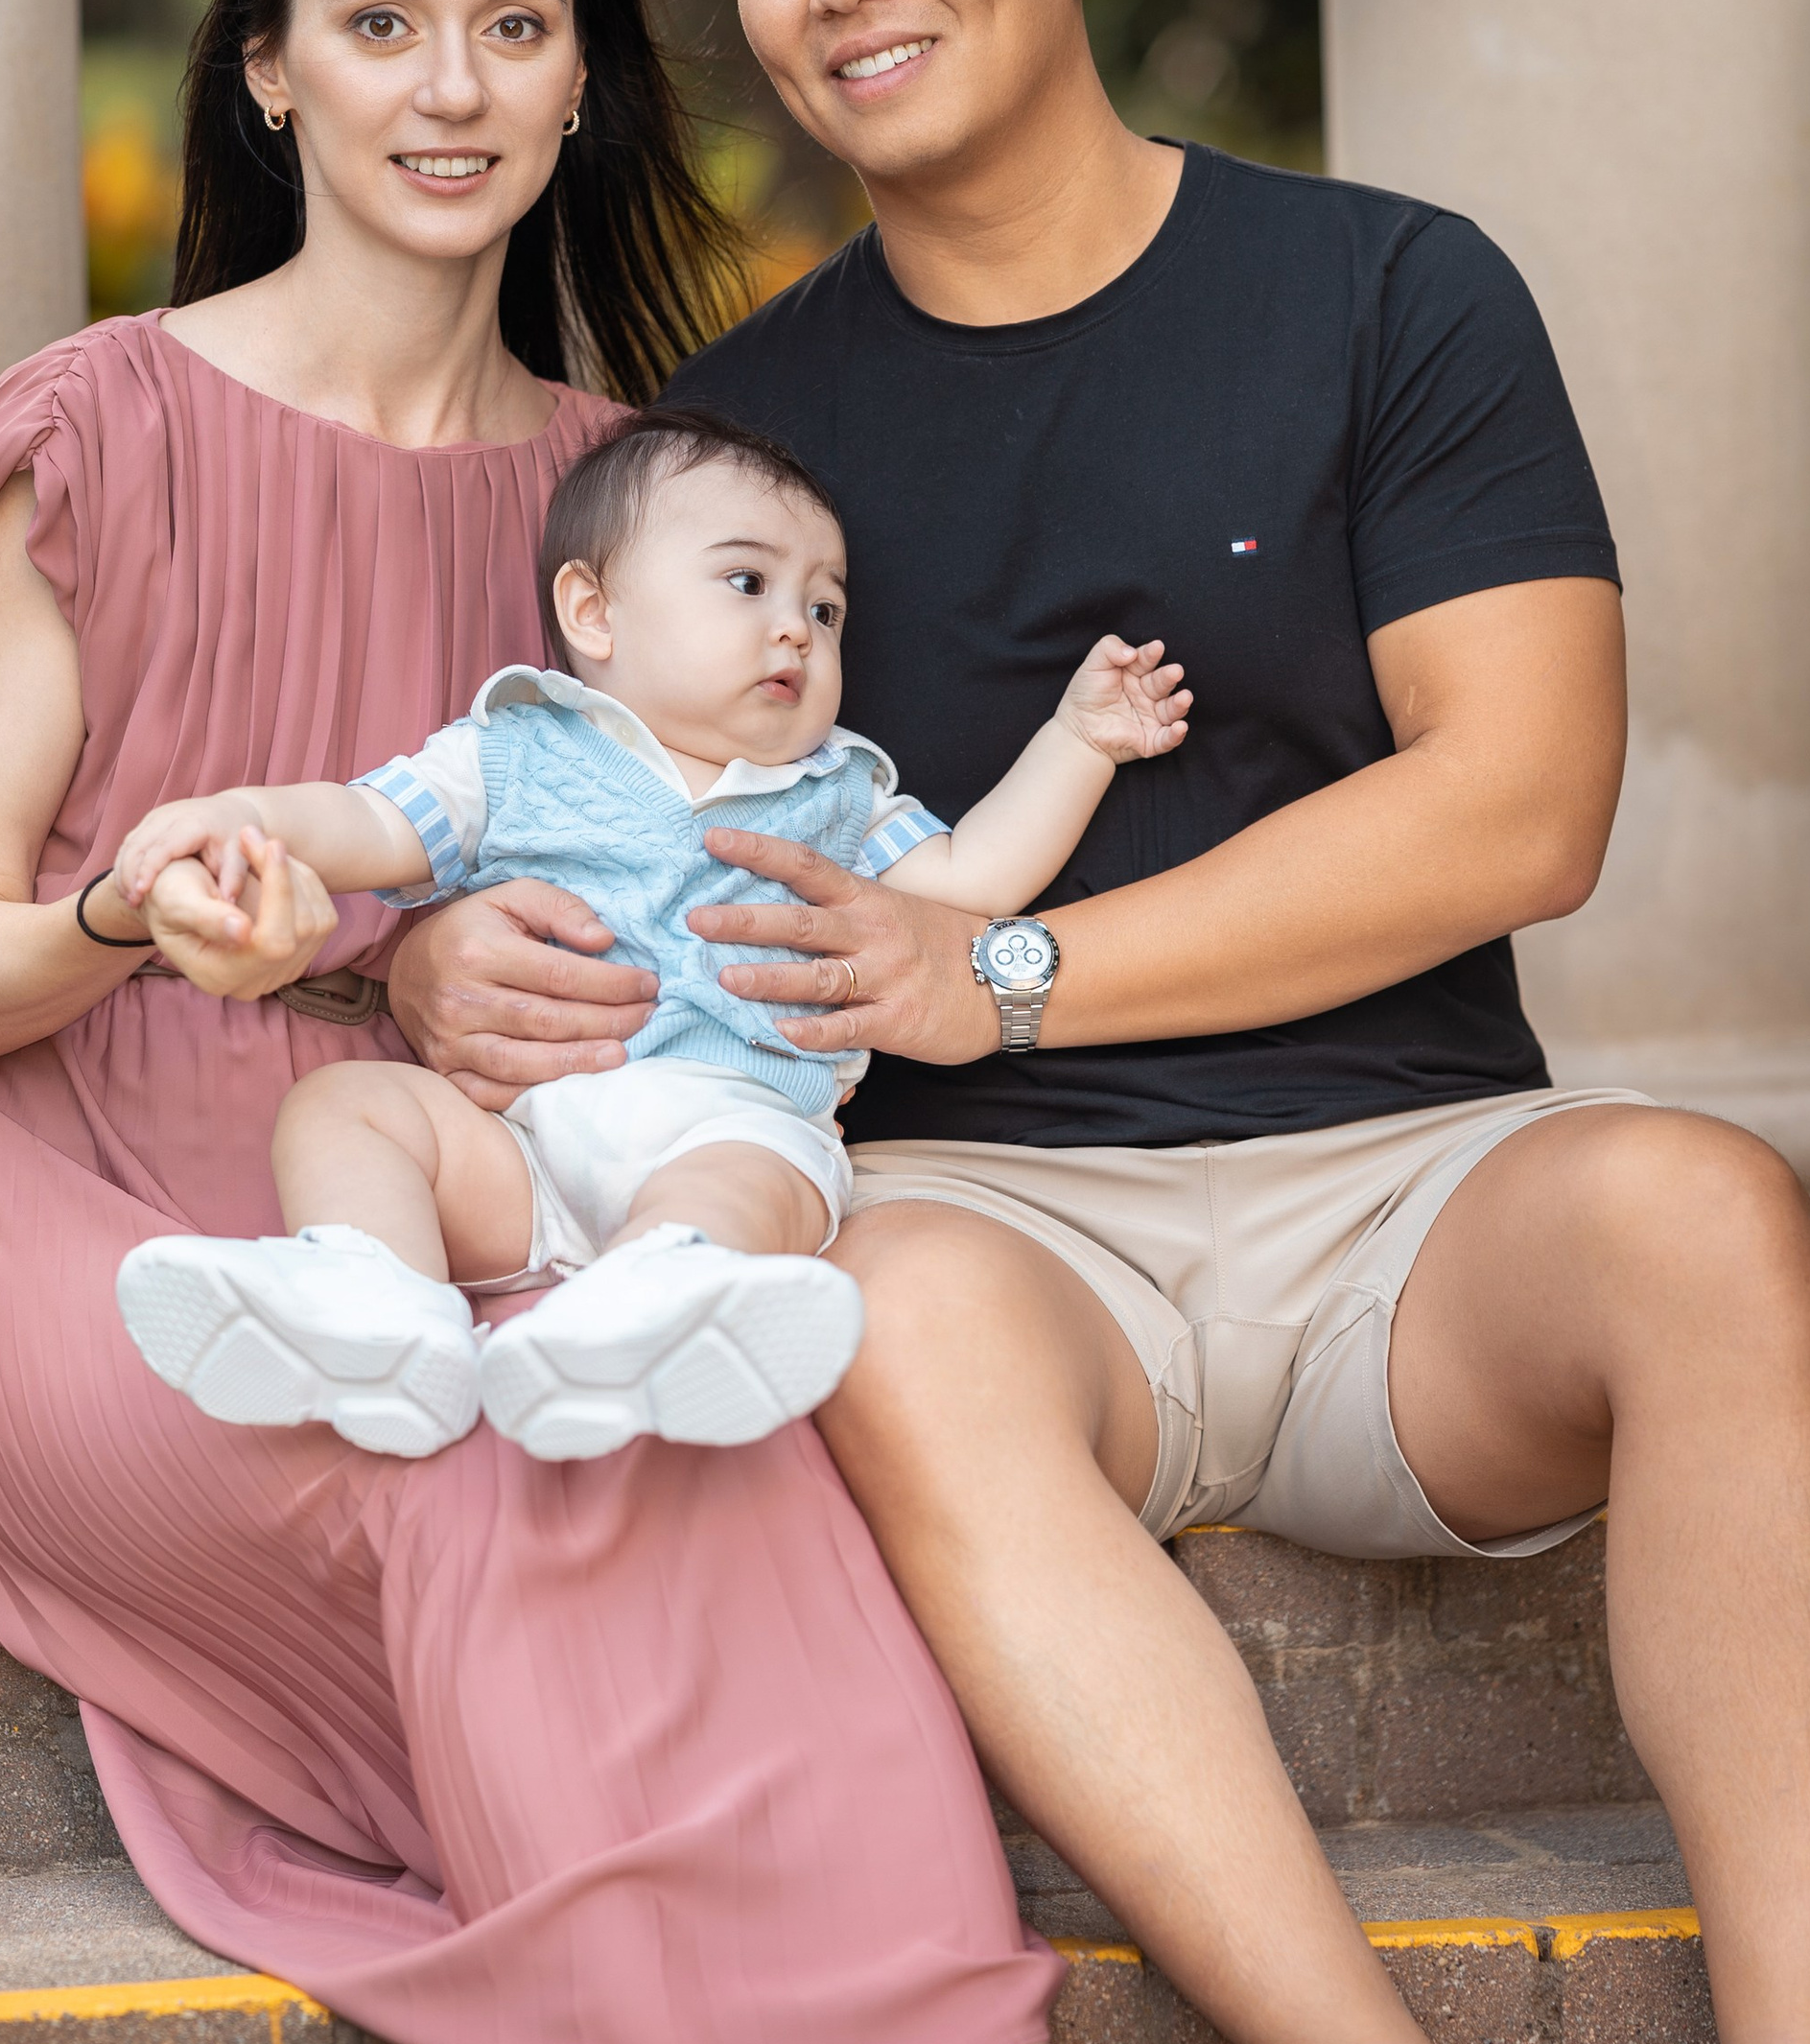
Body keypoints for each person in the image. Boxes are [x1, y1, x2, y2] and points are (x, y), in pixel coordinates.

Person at [386, 0, 1810, 2044]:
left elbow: (1524, 803)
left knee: (1708, 1205)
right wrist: (427, 971)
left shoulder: (1386, 291)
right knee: (900, 1318)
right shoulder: (744, 434)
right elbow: (563, 807)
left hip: (1416, 1193)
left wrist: (1017, 963)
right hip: (1003, 1238)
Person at [0, 0, 1364, 2044]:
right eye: (384, 21)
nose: (455, 83)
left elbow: (714, 906)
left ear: (581, 88)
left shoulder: (650, 509)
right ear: (270, 76)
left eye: (519, 26)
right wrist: (167, 921)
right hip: (94, 1208)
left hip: (506, 1183)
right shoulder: (89, 434)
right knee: (474, 1484)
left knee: (723, 1451)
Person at [99, 403, 1187, 1460]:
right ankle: (377, 1307)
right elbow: (365, 821)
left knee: (737, 1192)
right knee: (348, 1104)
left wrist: (1078, 741)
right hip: (525, 1149)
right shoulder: (515, 748)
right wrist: (245, 818)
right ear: (594, 613)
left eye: (825, 609)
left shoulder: (839, 791)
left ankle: (646, 1314)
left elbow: (975, 878)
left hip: (739, 1121)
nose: (791, 628)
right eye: (746, 581)